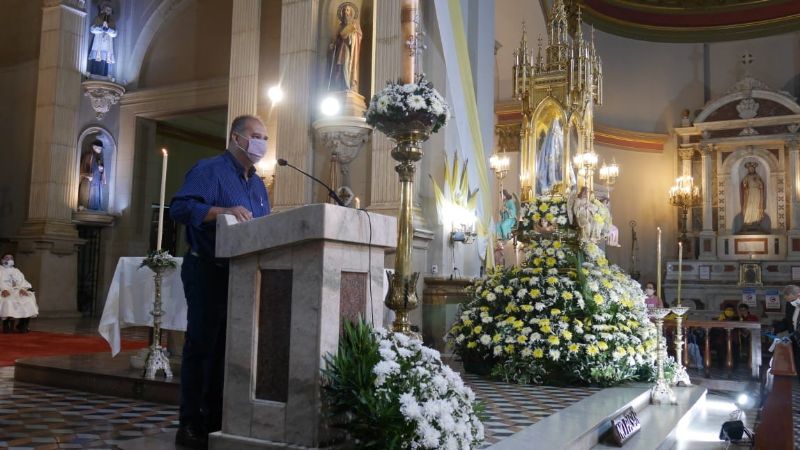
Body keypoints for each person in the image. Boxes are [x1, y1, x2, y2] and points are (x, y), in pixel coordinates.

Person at [170, 115, 270, 448]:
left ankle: (216, 418)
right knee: (202, 347)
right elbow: (180, 208)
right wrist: (220, 211)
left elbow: (262, 226)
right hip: (207, 269)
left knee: (228, 348)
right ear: (236, 138)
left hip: (241, 273)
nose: (262, 144)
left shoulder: (257, 184)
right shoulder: (209, 170)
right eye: (257, 136)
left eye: (265, 138)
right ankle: (189, 423)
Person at [328, 2, 362, 91]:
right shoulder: (340, 26)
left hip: (348, 48)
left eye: (347, 10)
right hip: (341, 49)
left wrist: (352, 35)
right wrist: (333, 44)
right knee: (339, 66)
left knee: (346, 65)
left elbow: (359, 35)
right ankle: (339, 86)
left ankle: (347, 85)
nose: (345, 12)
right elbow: (336, 37)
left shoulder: (354, 23)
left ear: (350, 12)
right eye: (344, 11)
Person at [0, 254, 38, 333]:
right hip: (4, 291)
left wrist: (23, 289)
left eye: (11, 258)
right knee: (9, 301)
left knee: (28, 299)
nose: (9, 260)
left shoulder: (16, 271)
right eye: (6, 258)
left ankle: (22, 324)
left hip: (17, 291)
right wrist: (3, 289)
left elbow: (23, 282)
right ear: (2, 259)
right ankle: (6, 323)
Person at [87, 2, 117, 77]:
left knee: (106, 62)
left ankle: (104, 75)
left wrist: (108, 30)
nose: (108, 12)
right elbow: (92, 29)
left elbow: (115, 33)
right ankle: (94, 74)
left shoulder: (112, 21)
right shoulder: (98, 18)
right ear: (103, 10)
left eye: (109, 10)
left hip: (107, 46)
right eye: (107, 9)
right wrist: (101, 29)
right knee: (96, 60)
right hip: (98, 44)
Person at [78, 140, 105, 211]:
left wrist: (101, 170)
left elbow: (102, 171)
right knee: (88, 198)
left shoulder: (99, 158)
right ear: (94, 147)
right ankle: (86, 208)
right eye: (99, 148)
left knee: (96, 198)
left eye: (101, 149)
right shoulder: (88, 156)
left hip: (97, 182)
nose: (100, 150)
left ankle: (96, 209)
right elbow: (82, 170)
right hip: (89, 182)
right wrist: (88, 175)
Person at [740, 161, 765, 231]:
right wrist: (745, 186)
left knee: (756, 206)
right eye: (749, 169)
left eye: (752, 169)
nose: (751, 170)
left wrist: (757, 181)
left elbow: (761, 185)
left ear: (754, 169)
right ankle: (748, 221)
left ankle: (756, 220)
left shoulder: (757, 176)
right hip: (749, 193)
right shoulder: (747, 177)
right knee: (749, 206)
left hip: (757, 193)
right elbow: (743, 185)